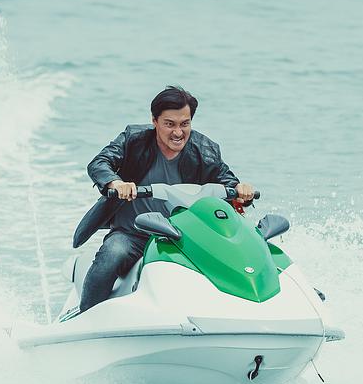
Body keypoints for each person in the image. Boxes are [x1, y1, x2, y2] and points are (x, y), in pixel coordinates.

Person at [73, 86, 256, 312]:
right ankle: (87, 313)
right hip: (133, 235)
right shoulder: (133, 139)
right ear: (154, 121)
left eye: (184, 124)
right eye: (170, 124)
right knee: (112, 254)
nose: (178, 133)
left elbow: (227, 181)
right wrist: (116, 183)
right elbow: (100, 163)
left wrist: (241, 191)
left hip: (185, 236)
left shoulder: (205, 150)